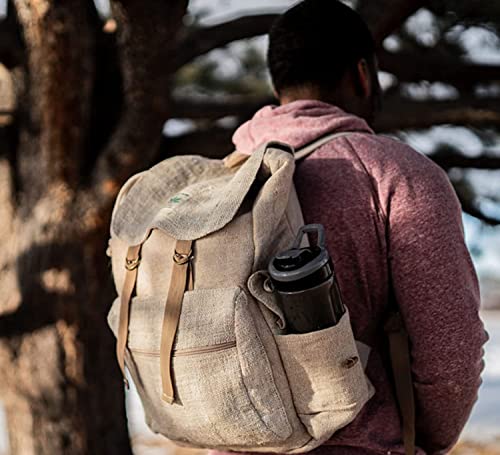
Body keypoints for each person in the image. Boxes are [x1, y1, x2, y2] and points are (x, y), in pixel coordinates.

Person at [214, 1, 488, 454]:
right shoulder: (395, 175)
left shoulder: (221, 180)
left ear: (280, 84)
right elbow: (450, 353)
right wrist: (416, 440)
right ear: (362, 74)